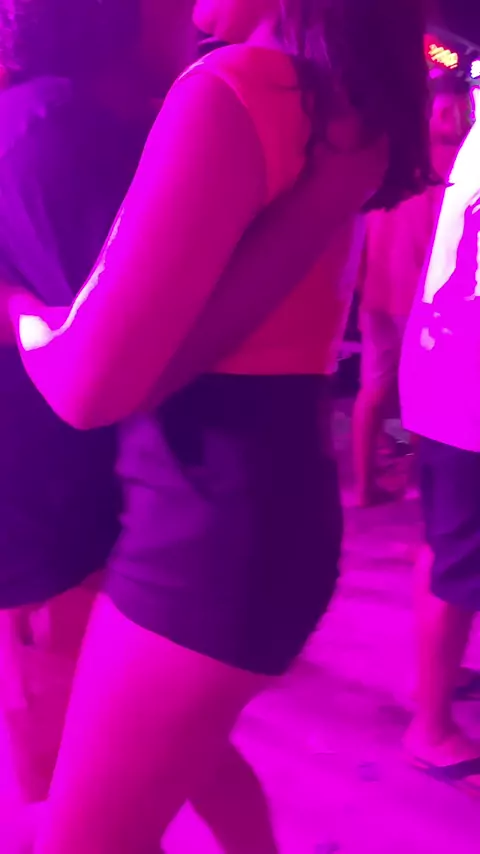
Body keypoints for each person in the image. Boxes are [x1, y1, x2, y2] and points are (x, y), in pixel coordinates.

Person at [9, 0, 432, 851]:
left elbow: (86, 386)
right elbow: (180, 351)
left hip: (201, 529)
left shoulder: (231, 88)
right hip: (257, 506)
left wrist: (18, 308)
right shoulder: (326, 96)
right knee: (150, 789)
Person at [0, 0, 162, 838]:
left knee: (63, 685)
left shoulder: (48, 116)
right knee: (61, 685)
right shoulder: (58, 125)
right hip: (51, 461)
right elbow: (107, 326)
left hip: (49, 455)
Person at [400, 84, 480, 797]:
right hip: (466, 383)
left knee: (447, 544)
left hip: (445, 368)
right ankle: (429, 728)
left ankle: (442, 678)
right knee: (460, 557)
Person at [352, 72, 471, 506]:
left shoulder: (392, 157)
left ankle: (365, 486)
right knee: (424, 396)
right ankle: (418, 485)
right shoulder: (451, 166)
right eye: (451, 111)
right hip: (417, 300)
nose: (458, 119)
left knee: (375, 389)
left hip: (377, 293)